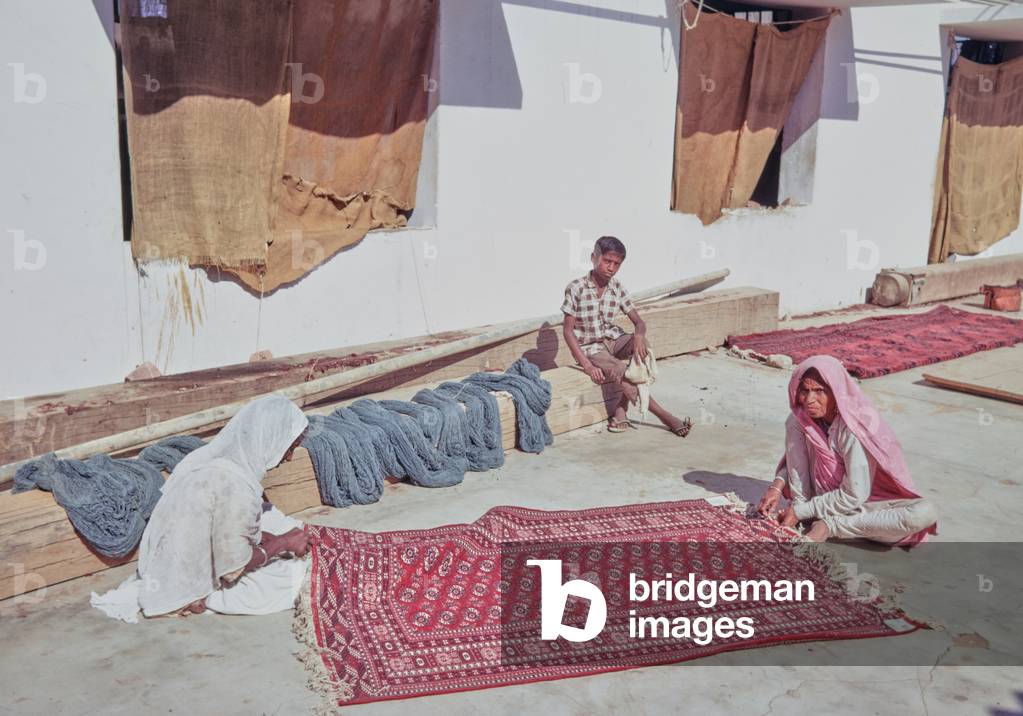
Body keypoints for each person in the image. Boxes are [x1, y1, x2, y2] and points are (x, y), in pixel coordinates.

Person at [91, 394, 313, 621]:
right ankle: (202, 599)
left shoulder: (206, 458)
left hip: (164, 557)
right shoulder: (238, 488)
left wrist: (260, 537)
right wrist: (282, 543)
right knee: (290, 580)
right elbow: (232, 570)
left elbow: (212, 518)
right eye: (290, 447)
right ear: (271, 439)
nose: (289, 458)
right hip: (179, 578)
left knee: (270, 519)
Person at [758, 355, 938, 545]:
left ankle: (831, 526)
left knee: (924, 512)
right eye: (804, 390)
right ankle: (815, 518)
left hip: (863, 507)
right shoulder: (799, 420)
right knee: (794, 422)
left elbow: (855, 494)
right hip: (815, 503)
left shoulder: (853, 428)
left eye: (819, 391)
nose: (810, 399)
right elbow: (797, 463)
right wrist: (778, 487)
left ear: (836, 392)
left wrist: (804, 512)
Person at [561, 236, 692, 436]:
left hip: (612, 340)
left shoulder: (617, 288)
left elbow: (639, 322)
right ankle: (664, 415)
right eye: (607, 261)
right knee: (621, 369)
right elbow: (567, 331)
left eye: (616, 264)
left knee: (644, 347)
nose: (611, 268)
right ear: (594, 257)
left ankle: (621, 410)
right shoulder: (576, 287)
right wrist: (587, 365)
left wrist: (638, 336)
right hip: (591, 348)